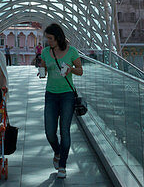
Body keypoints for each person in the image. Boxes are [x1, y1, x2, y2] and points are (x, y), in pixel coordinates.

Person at [41, 22, 82, 179]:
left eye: (50, 39)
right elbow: (43, 66)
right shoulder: (45, 52)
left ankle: (62, 165)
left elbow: (81, 71)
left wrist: (71, 69)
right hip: (51, 94)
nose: (48, 42)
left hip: (67, 95)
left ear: (58, 37)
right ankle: (57, 151)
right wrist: (42, 71)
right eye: (47, 39)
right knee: (49, 132)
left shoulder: (71, 51)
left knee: (64, 130)